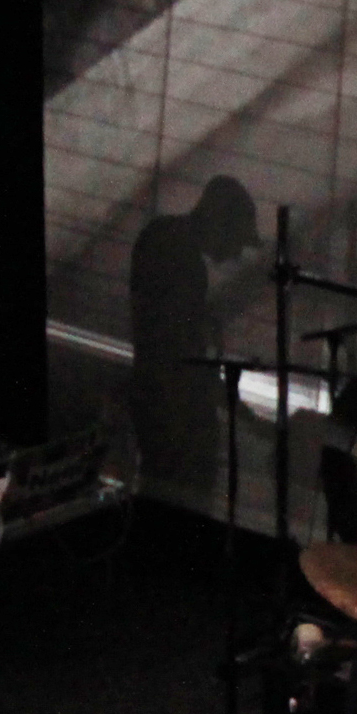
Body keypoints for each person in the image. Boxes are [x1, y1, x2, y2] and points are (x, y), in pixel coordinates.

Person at [124, 175, 264, 497]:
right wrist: (241, 413)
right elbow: (180, 353)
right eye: (236, 240)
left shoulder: (163, 238)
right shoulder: (181, 258)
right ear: (220, 224)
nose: (235, 253)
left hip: (162, 408)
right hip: (174, 419)